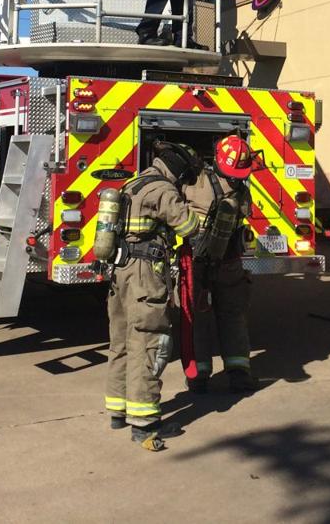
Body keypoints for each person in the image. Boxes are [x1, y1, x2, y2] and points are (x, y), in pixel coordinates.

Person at [105, 141, 203, 451]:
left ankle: (118, 410)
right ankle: (145, 423)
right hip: (144, 274)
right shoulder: (163, 190)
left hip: (119, 272)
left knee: (121, 341)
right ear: (178, 173)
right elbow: (189, 228)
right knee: (148, 343)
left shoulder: (133, 183)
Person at [181, 134, 257, 394]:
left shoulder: (195, 180)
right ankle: (239, 374)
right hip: (229, 259)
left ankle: (198, 377)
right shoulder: (241, 192)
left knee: (198, 315)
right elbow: (247, 212)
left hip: (197, 260)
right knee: (233, 315)